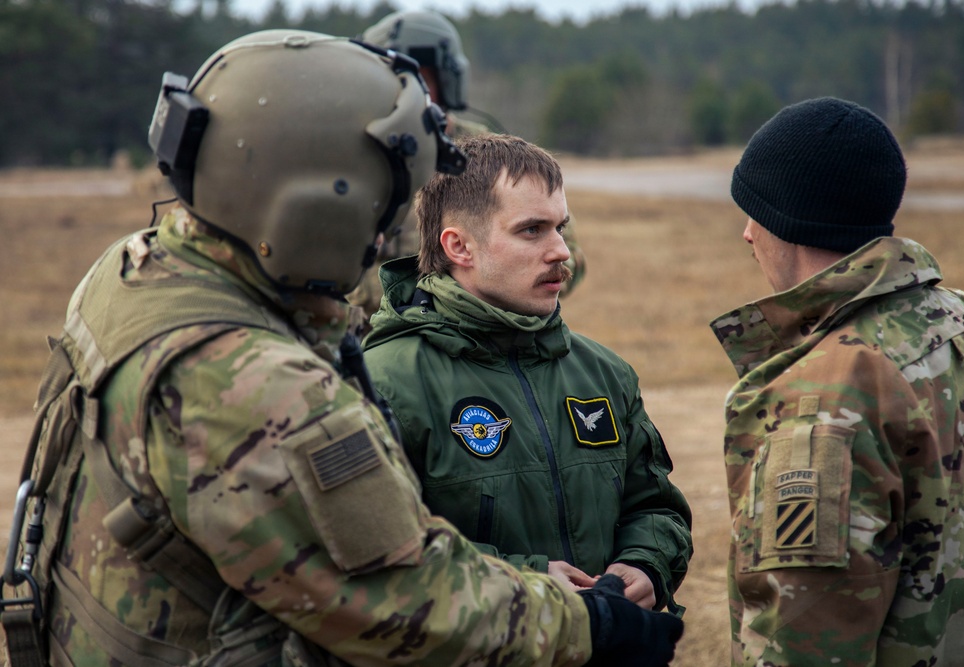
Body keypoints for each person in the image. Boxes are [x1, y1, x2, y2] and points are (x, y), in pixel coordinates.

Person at [0, 30, 684, 666]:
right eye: (382, 205)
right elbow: (404, 597)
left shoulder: (136, 267)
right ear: (316, 209)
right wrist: (586, 623)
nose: (385, 234)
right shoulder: (254, 382)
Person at [710, 96, 964, 666]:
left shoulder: (825, 393)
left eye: (754, 212)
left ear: (789, 220)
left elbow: (807, 640)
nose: (747, 234)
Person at [362, 133, 693, 616]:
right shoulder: (385, 384)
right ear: (460, 246)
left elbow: (655, 507)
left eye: (561, 226)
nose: (561, 251)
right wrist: (525, 583)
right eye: (532, 230)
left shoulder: (603, 373)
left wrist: (644, 566)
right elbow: (379, 552)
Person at [348, 10, 586, 330]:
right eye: (388, 79)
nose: (401, 92)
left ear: (446, 80)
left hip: (476, 344)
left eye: (414, 78)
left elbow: (568, 257)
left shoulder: (490, 158)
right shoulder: (350, 159)